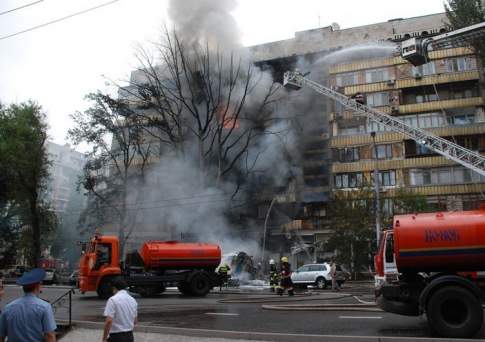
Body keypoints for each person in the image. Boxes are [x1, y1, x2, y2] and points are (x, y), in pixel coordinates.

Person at [0, 268, 57, 342]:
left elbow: (1, 336)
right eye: (41, 283)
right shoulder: (44, 307)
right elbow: (50, 336)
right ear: (38, 286)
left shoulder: (8, 307)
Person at [102, 277, 137, 342]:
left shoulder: (113, 300)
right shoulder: (133, 300)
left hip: (116, 337)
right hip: (130, 336)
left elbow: (109, 321)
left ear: (114, 288)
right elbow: (135, 321)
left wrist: (104, 339)